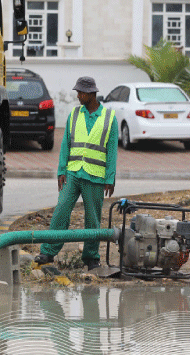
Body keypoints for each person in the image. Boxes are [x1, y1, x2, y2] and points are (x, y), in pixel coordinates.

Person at [34, 76, 117, 271]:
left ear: (91, 94)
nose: (78, 96)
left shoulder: (109, 118)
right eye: (78, 92)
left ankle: (91, 258)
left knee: (93, 219)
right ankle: (48, 251)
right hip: (72, 173)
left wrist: (110, 178)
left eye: (81, 93)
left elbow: (112, 151)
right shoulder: (74, 114)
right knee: (61, 209)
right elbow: (65, 144)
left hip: (95, 176)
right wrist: (61, 170)